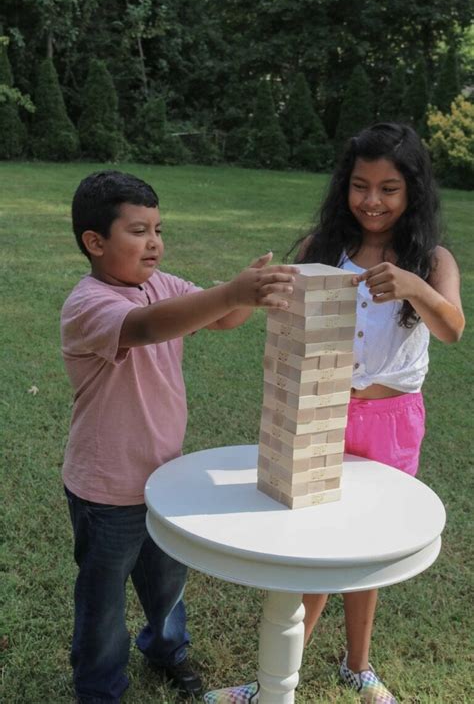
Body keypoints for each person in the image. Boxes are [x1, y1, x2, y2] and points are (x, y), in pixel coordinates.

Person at [203, 122, 465, 704]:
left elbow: (452, 328)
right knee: (312, 549)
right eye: (360, 185)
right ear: (344, 186)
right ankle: (274, 678)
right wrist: (252, 291)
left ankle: (357, 665)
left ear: (412, 191)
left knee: (366, 545)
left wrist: (414, 288)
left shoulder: (430, 257)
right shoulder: (321, 250)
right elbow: (271, 316)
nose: (372, 201)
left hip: (394, 420)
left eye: (389, 188)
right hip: (321, 410)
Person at [61, 169, 299, 704]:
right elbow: (149, 326)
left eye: (159, 229)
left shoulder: (161, 284)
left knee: (167, 585)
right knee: (103, 601)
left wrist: (247, 296)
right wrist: (230, 291)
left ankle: (167, 652)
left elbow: (220, 320)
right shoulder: (89, 304)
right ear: (95, 243)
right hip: (105, 490)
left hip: (163, 480)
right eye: (139, 231)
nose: (155, 242)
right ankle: (99, 688)